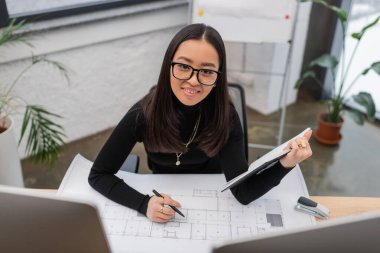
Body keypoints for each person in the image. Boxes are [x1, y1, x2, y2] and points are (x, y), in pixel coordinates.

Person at [88, 23, 313, 223]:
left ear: (218, 76)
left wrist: (287, 162)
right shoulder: (143, 114)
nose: (193, 81)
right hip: (161, 190)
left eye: (206, 71)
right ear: (169, 67)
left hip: (213, 194)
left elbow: (243, 193)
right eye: (184, 66)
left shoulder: (226, 118)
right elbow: (99, 175)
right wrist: (143, 203)